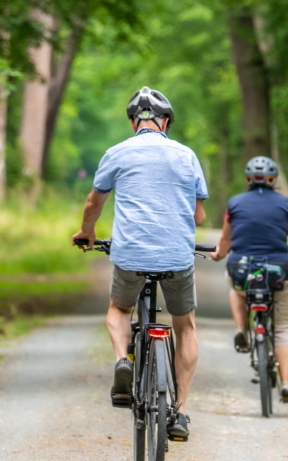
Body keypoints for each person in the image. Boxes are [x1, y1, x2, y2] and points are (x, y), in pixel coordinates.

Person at [71, 86, 208, 439]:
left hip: (130, 254)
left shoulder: (117, 152)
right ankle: (180, 412)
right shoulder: (186, 155)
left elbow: (92, 203)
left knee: (119, 309)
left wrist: (87, 233)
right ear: (166, 122)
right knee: (186, 325)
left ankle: (122, 360)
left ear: (134, 122)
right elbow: (200, 215)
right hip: (177, 255)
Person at [210, 156, 288, 402]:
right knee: (284, 327)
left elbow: (226, 240)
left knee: (235, 287)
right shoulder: (285, 204)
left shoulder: (234, 203)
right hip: (277, 272)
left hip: (242, 270)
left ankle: (241, 328)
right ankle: (286, 383)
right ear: (272, 179)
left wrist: (219, 254)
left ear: (248, 179)